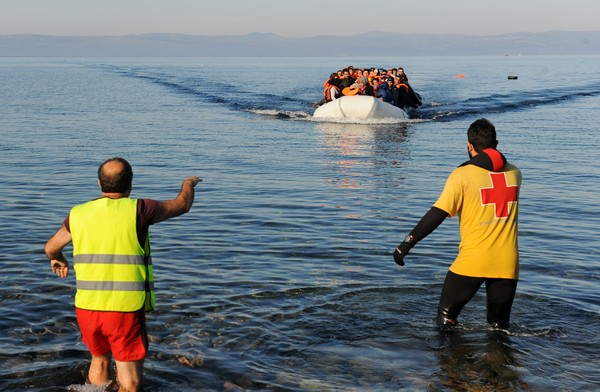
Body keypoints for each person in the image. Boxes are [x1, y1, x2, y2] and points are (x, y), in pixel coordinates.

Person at [45, 157, 201, 391]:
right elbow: (182, 205)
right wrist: (188, 183)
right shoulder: (140, 209)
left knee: (99, 359)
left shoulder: (78, 213)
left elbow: (51, 247)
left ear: (99, 184)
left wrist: (58, 258)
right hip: (124, 309)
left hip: (87, 307)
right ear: (130, 185)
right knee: (130, 382)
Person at [392, 119, 522, 330]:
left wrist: (406, 244)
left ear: (470, 146)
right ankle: (499, 362)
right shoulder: (515, 174)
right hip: (508, 264)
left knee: (446, 319)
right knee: (499, 328)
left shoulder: (462, 175)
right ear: (496, 143)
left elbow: (438, 213)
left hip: (473, 261)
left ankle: (451, 362)